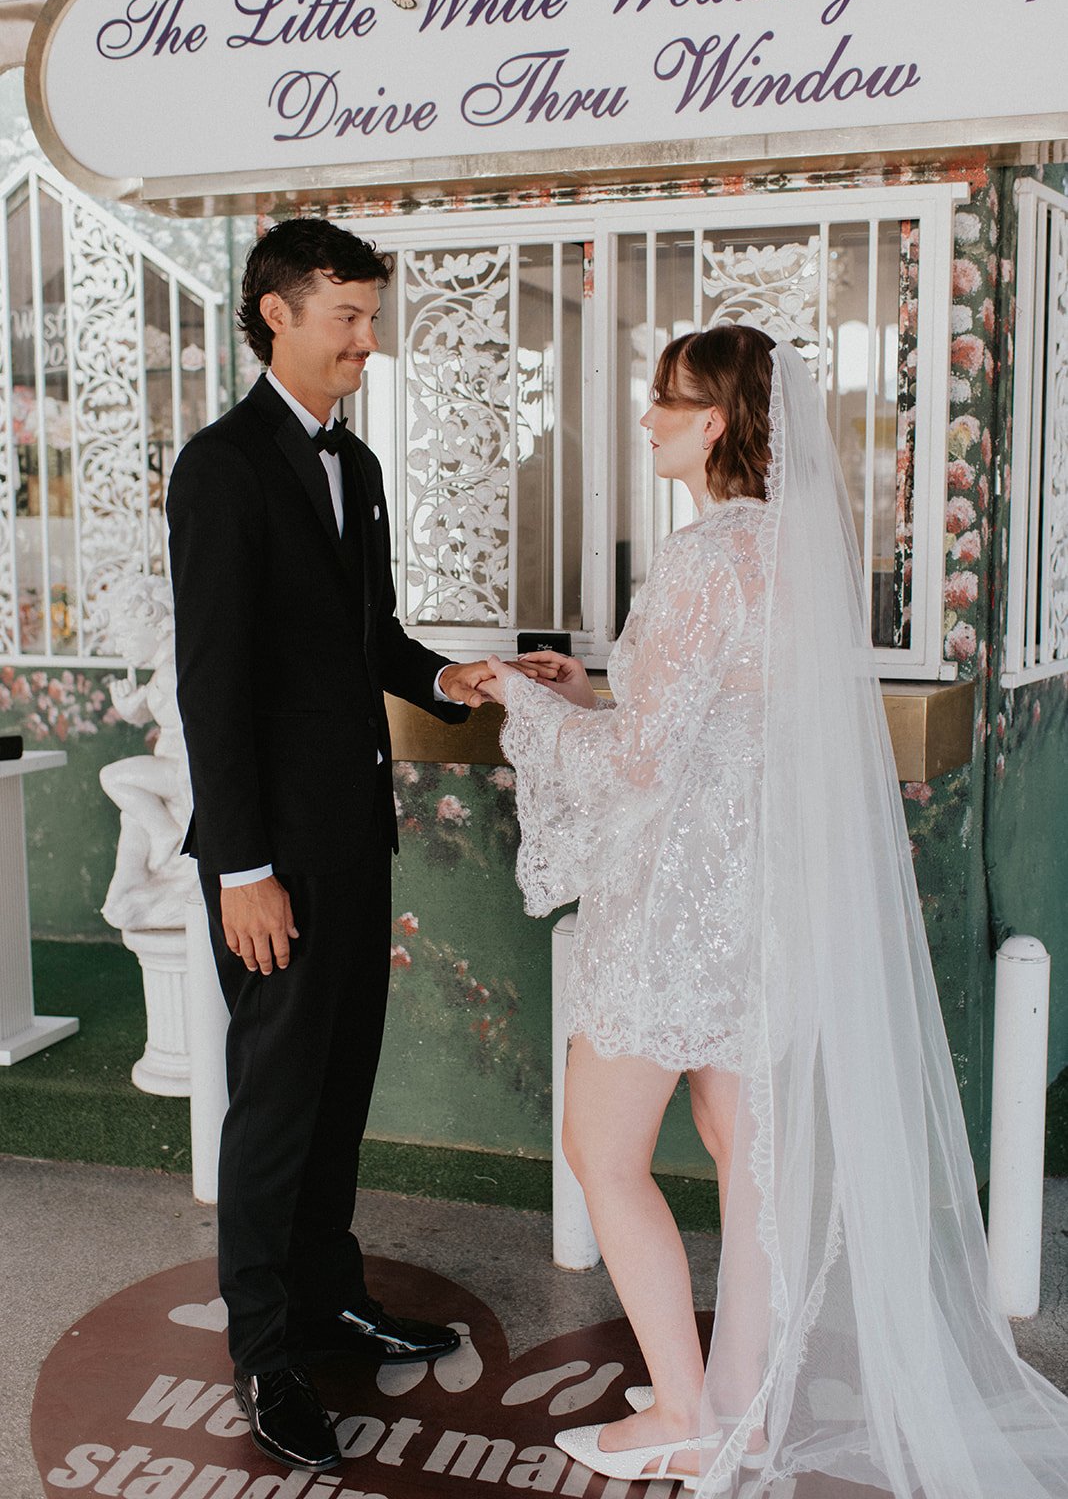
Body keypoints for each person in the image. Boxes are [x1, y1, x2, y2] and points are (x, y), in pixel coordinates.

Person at [480, 326, 1068, 1498]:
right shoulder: (800, 552)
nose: (646, 416)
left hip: (676, 905)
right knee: (744, 1150)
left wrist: (516, 698)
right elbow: (717, 721)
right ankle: (741, 1393)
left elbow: (647, 764)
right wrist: (590, 689)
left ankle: (686, 1412)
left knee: (602, 1149)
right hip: (762, 903)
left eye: (665, 399)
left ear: (713, 422)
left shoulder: (704, 561)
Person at [167, 218, 492, 1475]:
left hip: (357, 839)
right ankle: (267, 1350)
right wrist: (243, 868)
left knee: (339, 1086)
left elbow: (374, 640)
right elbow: (216, 685)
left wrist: (452, 676)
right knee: (274, 1107)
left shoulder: (354, 465)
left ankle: (324, 1295)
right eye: (346, 317)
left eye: (371, 316)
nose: (369, 340)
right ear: (274, 315)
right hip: (272, 866)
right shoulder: (221, 466)